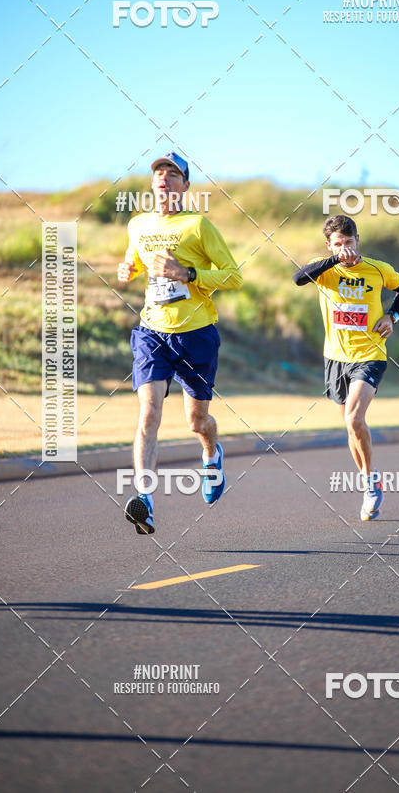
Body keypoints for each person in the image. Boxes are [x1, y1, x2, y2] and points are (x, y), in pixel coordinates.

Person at [117, 152, 243, 534]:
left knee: (196, 421)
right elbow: (135, 262)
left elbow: (233, 277)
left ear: (186, 186)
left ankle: (211, 454)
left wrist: (187, 273)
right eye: (159, 172)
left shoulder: (199, 226)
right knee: (149, 412)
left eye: (173, 173)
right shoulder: (138, 225)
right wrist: (128, 269)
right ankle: (146, 500)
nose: (164, 178)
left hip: (196, 334)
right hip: (153, 332)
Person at [293, 214, 399, 521]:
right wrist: (333, 261)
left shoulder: (377, 269)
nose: (344, 249)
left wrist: (392, 317)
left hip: (370, 353)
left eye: (348, 242)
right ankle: (366, 480)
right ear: (329, 245)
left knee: (355, 418)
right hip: (334, 358)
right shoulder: (326, 270)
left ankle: (372, 484)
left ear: (357, 240)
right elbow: (298, 278)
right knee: (349, 425)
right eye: (337, 244)